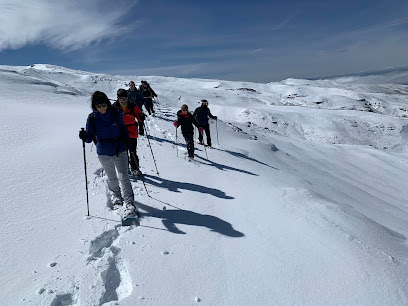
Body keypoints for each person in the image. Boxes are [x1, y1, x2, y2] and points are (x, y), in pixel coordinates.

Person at [79, 91, 137, 217]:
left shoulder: (115, 113)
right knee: (111, 177)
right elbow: (89, 138)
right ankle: (116, 196)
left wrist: (128, 142)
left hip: (119, 149)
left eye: (104, 105)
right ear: (95, 106)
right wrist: (84, 137)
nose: (102, 108)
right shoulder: (92, 118)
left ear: (108, 103)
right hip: (104, 151)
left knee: (124, 176)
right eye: (99, 106)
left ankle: (129, 202)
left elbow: (123, 128)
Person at [113, 88, 146, 177]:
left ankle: (135, 169)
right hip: (120, 133)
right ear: (118, 98)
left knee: (132, 151)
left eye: (125, 98)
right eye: (121, 99)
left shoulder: (132, 105)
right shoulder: (114, 107)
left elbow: (139, 114)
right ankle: (124, 169)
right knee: (122, 152)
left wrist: (141, 116)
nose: (123, 101)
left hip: (132, 131)